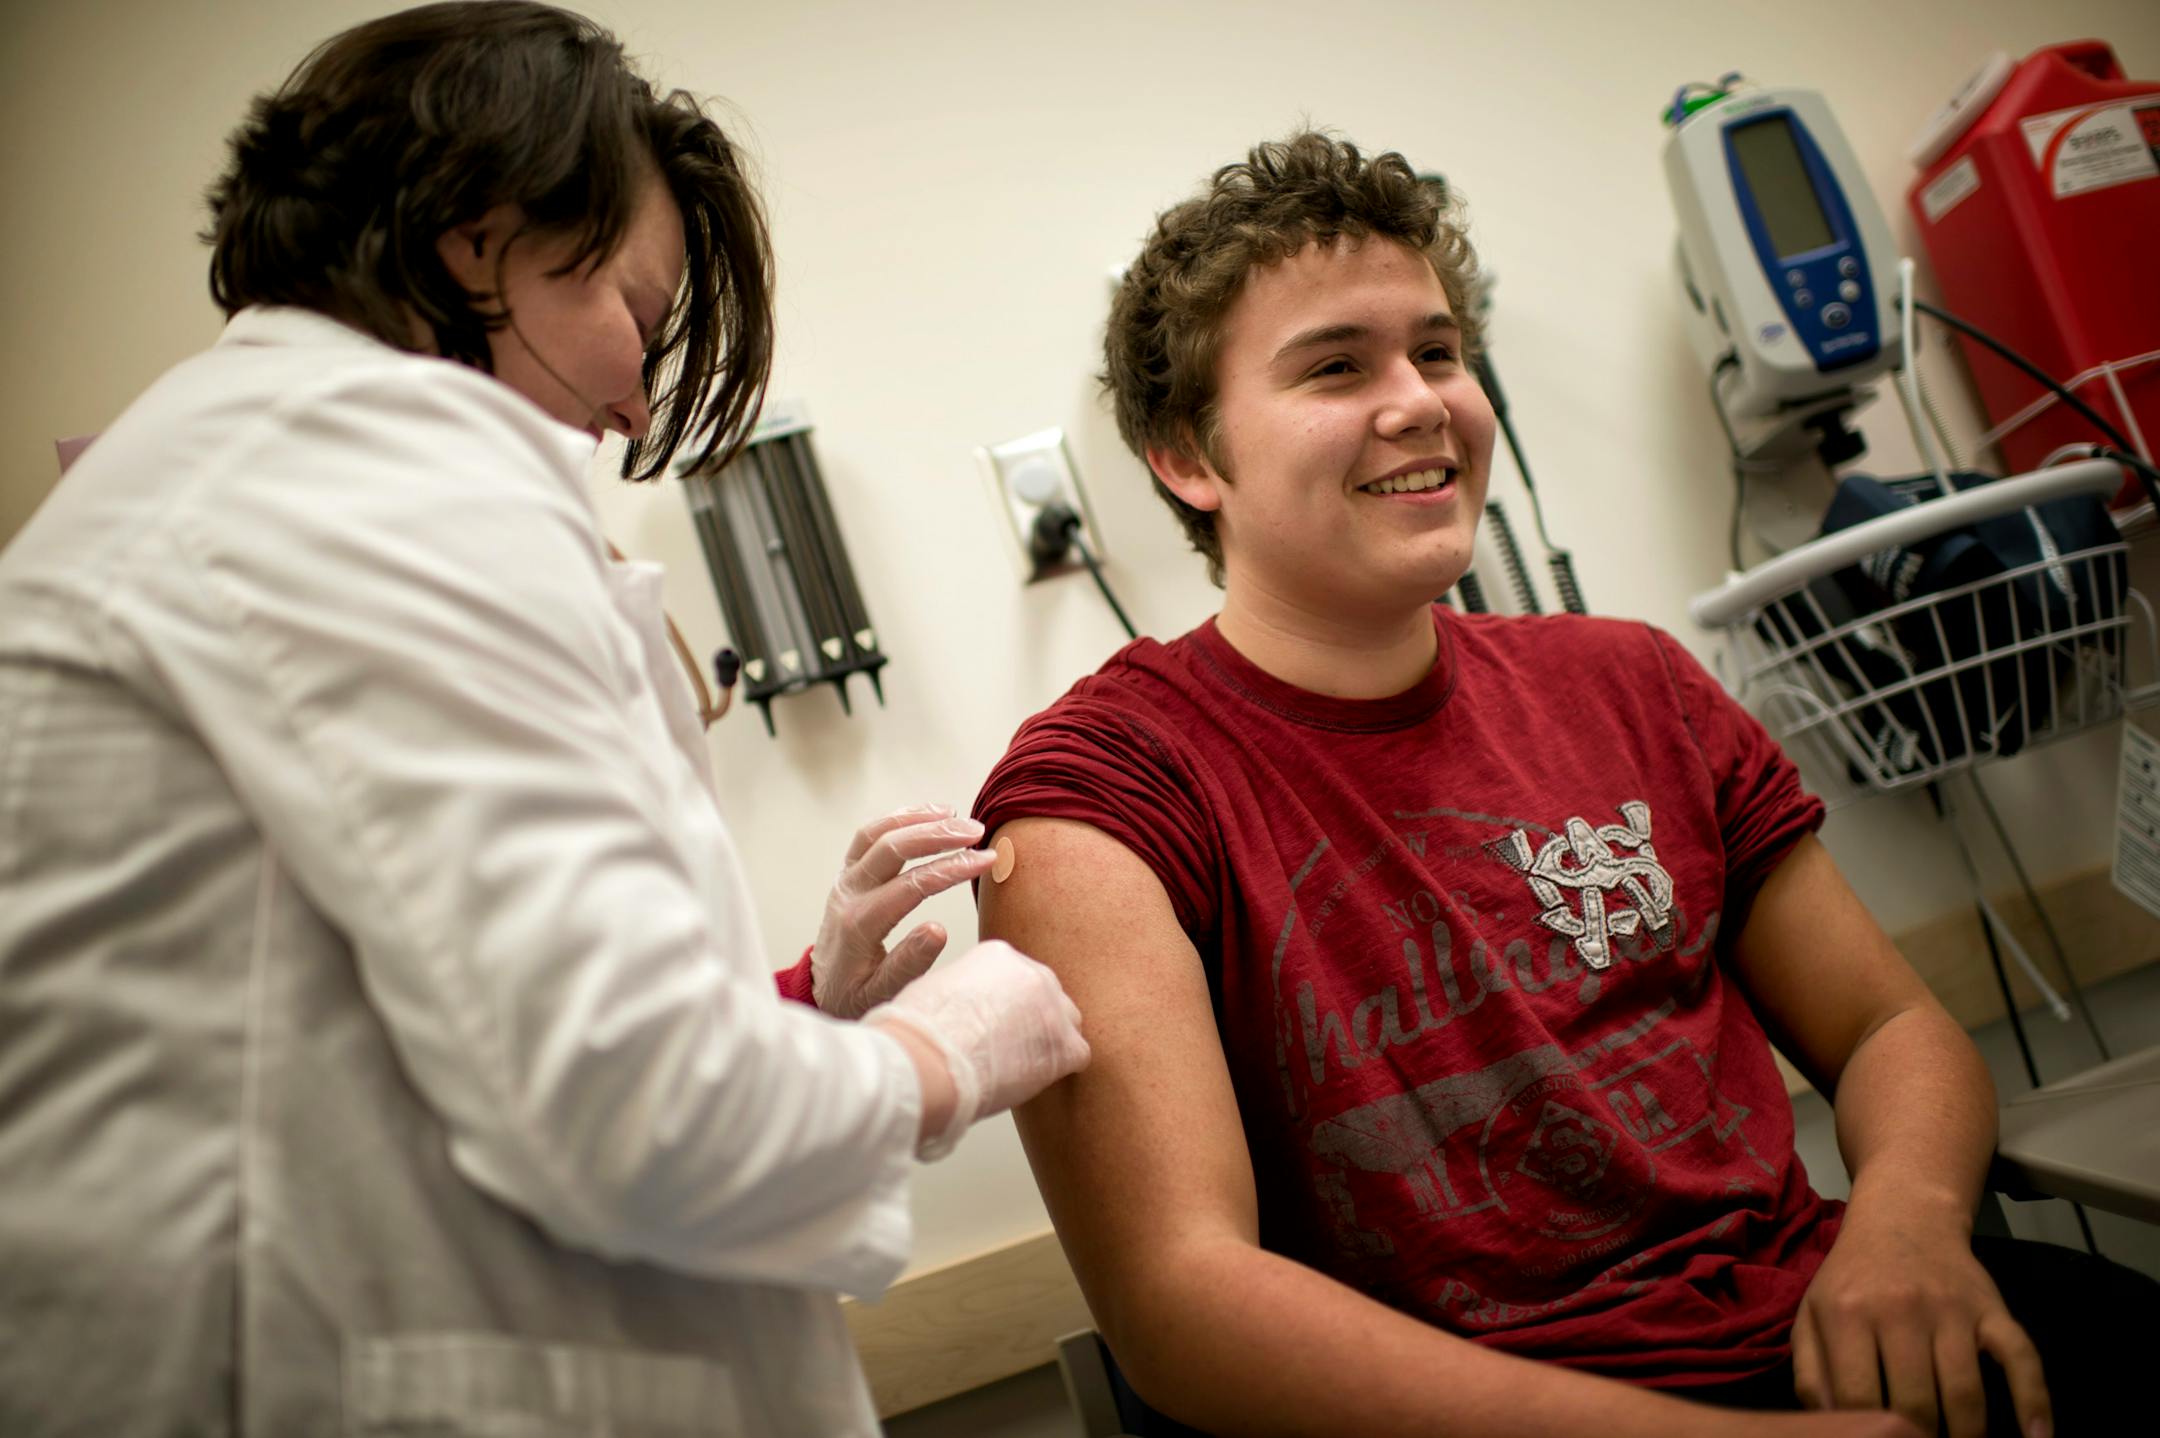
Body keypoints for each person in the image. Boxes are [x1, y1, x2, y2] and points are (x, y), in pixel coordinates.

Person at [0, 5, 1087, 1434]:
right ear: (477, 235)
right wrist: (951, 1047)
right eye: (636, 314)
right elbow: (635, 1113)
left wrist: (804, 1001)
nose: (635, 407)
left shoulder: (219, 472)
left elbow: (402, 1044)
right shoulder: (371, 465)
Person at [974, 131, 2157, 1438]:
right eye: (1334, 365)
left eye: (1437, 350)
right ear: (1186, 455)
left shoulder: (1632, 685)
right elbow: (1184, 1307)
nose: (1421, 399)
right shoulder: (1100, 800)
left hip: (1817, 1325)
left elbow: (1891, 1029)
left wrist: (1908, 1232)